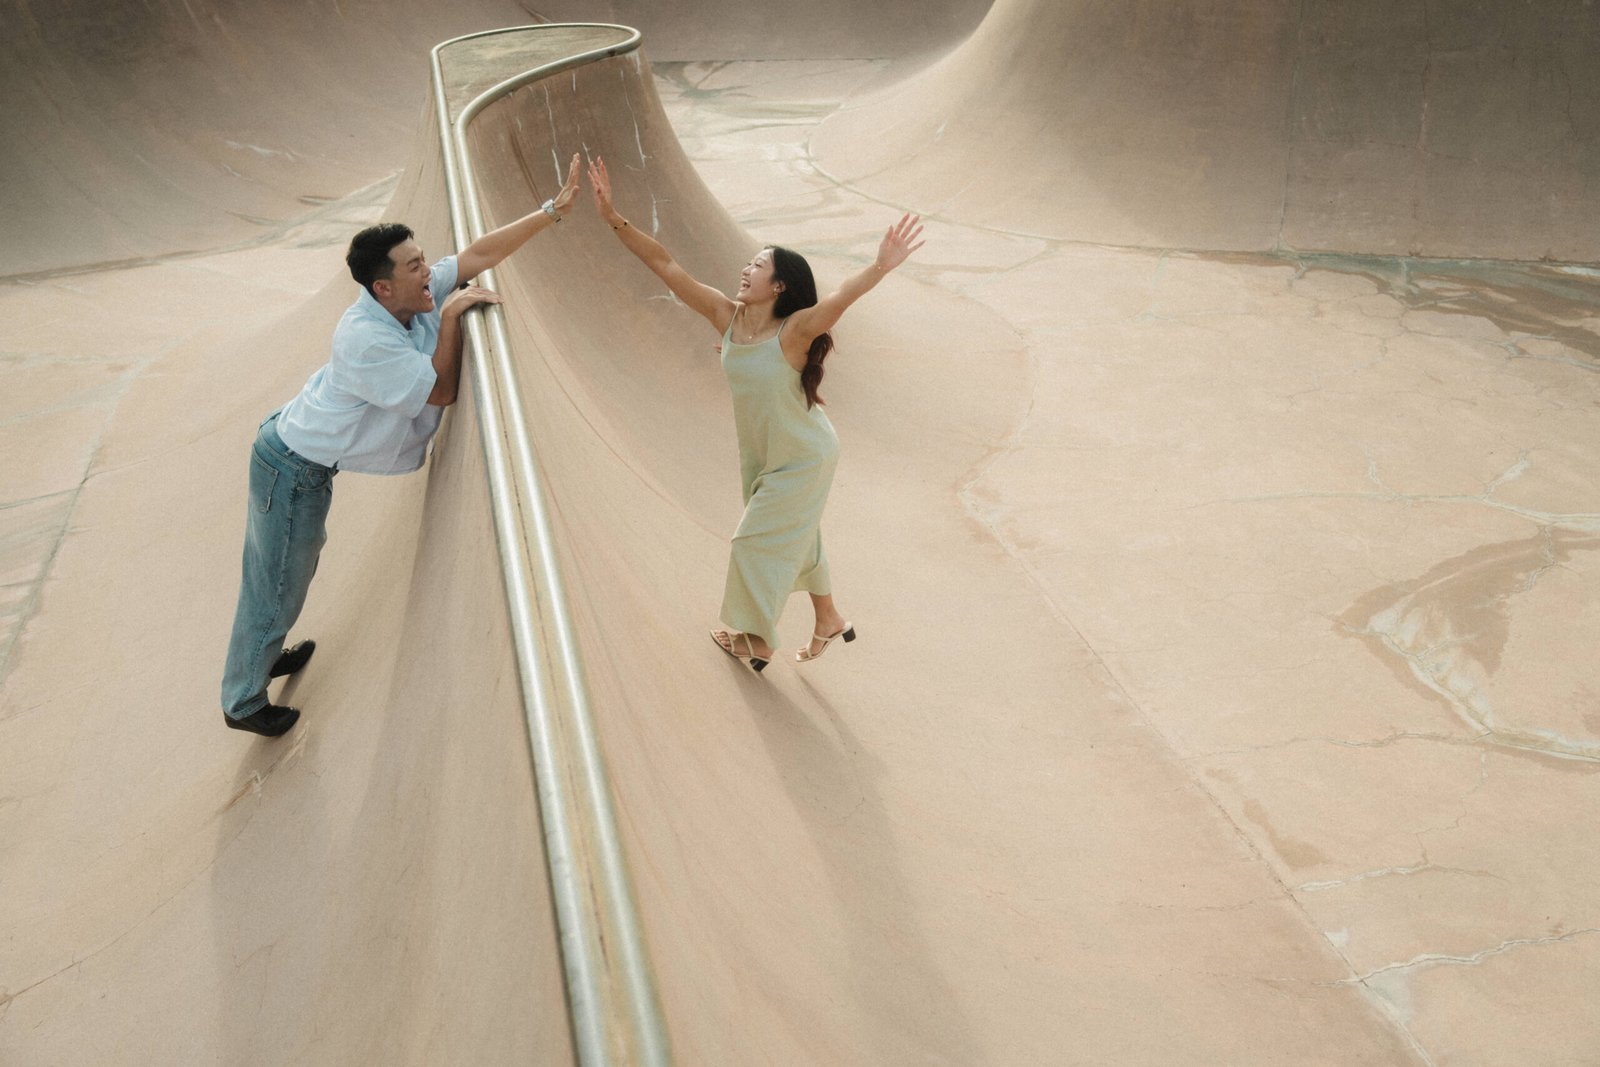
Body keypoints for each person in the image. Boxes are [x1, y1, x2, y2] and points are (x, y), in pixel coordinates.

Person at [220, 155, 583, 737]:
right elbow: (439, 389)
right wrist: (452, 319)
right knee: (279, 581)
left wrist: (551, 212)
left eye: (424, 263)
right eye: (416, 268)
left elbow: (479, 255)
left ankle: (262, 650)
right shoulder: (366, 340)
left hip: (295, 449)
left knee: (280, 575)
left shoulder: (406, 294)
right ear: (383, 286)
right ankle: (243, 700)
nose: (430, 275)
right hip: (292, 466)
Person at [587, 155, 924, 672]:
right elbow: (666, 264)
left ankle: (756, 638)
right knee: (798, 534)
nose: (746, 270)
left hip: (805, 455)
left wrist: (879, 266)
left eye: (758, 266)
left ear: (780, 286)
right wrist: (612, 215)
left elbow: (841, 299)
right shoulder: (725, 317)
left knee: (751, 539)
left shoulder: (793, 333)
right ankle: (829, 617)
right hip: (766, 453)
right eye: (748, 264)